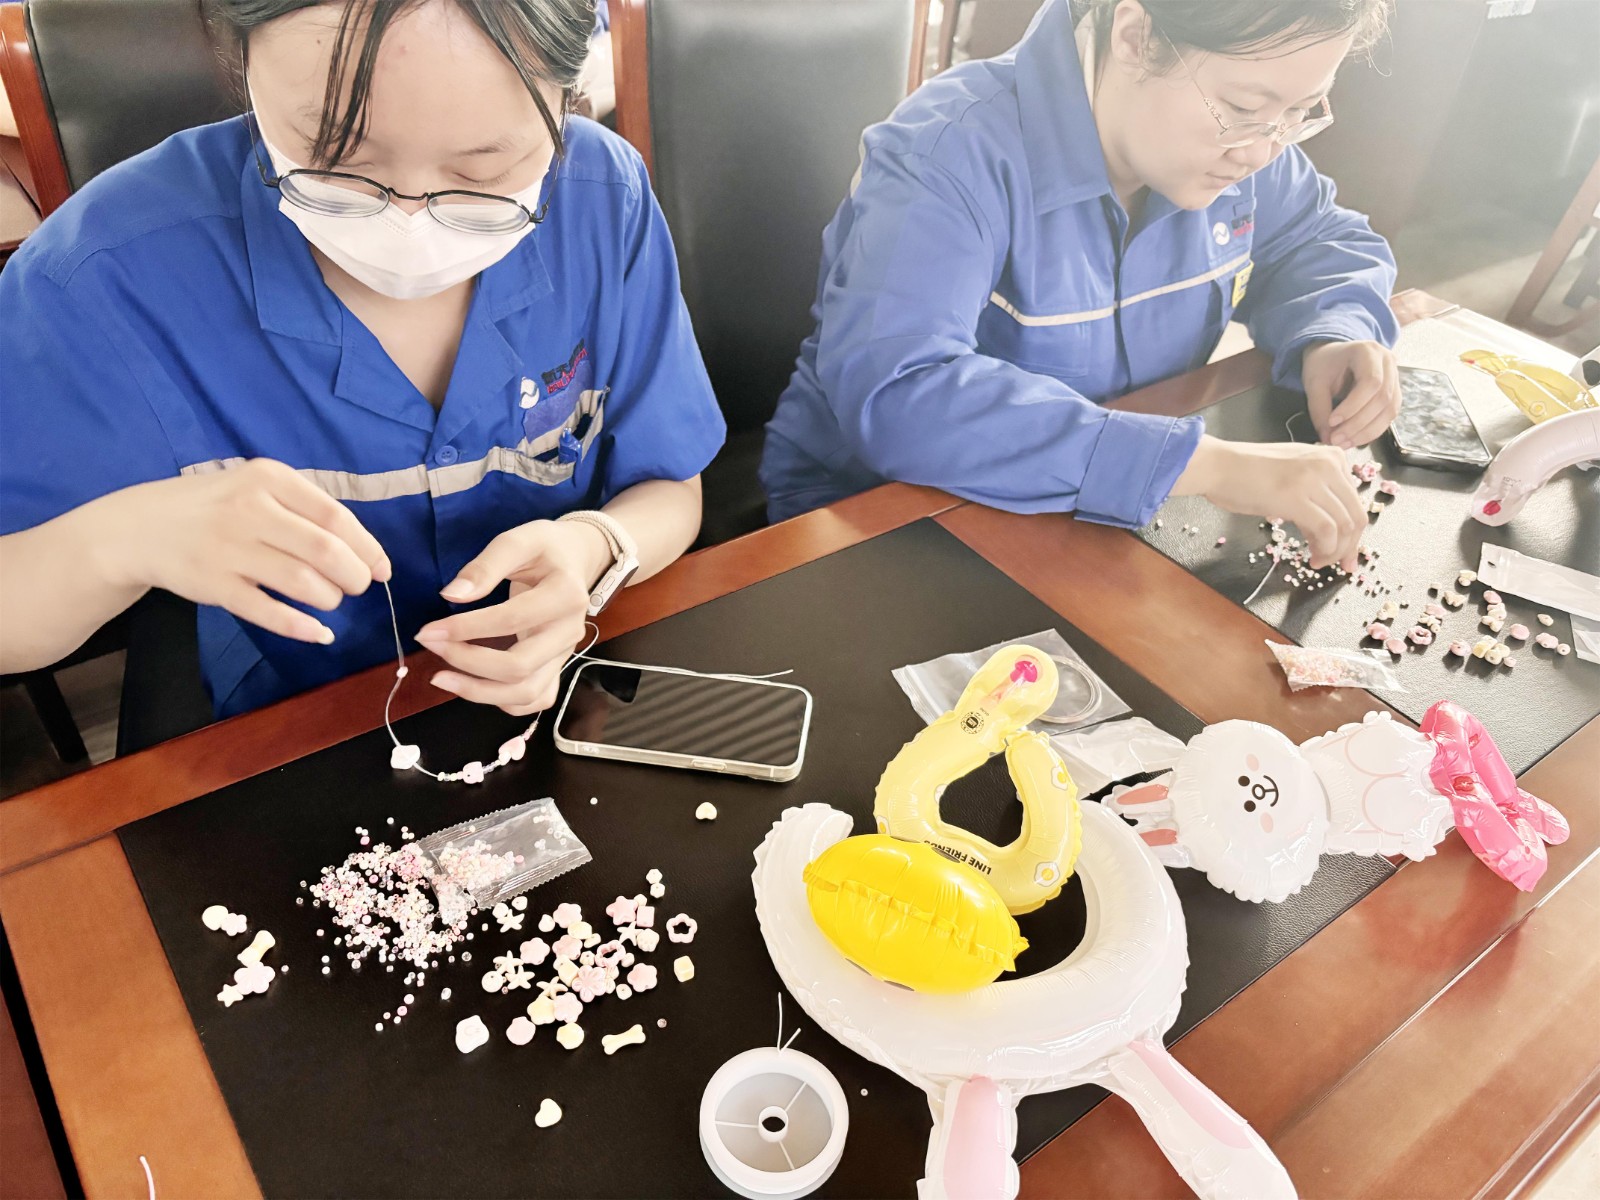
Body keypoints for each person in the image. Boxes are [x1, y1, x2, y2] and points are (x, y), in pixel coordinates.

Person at [0, 0, 724, 721]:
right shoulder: (102, 272)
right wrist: (122, 540)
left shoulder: (602, 200)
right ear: (240, 60)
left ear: (568, 99)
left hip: (556, 693)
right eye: (337, 155)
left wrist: (595, 548)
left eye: (484, 167)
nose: (409, 221)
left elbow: (669, 485)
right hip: (289, 724)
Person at [762, 0, 1399, 569]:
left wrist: (1334, 331)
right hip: (882, 520)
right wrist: (1199, 464)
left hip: (1098, 513)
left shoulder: (1240, 148)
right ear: (1135, 36)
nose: (1262, 152)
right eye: (1244, 109)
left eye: (1299, 112)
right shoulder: (948, 152)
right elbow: (899, 393)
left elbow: (1321, 240)